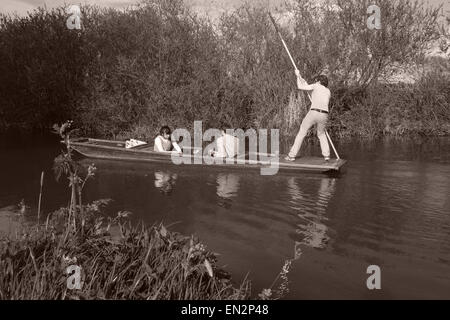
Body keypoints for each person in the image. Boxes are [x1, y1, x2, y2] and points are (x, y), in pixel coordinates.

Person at [285, 71, 331, 162]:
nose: (315, 81)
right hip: (324, 114)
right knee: (321, 134)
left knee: (302, 132)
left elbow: (300, 87)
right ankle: (327, 156)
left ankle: (291, 155)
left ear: (318, 81)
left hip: (314, 112)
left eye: (316, 80)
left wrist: (297, 76)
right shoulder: (328, 91)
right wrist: (301, 78)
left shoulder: (316, 86)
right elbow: (308, 88)